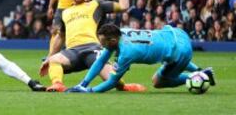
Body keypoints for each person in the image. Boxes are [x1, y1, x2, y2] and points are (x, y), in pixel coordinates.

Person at [40, 0, 145, 92]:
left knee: (112, 79)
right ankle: (58, 85)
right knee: (53, 61)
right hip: (72, 52)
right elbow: (60, 37)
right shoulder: (65, 12)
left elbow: (123, 6)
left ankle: (124, 86)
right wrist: (49, 57)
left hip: (93, 49)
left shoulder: (96, 5)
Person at [68, 23, 216, 93]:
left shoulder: (126, 53)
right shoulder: (121, 32)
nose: (100, 44)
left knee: (157, 81)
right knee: (169, 56)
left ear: (112, 41)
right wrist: (83, 83)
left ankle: (199, 76)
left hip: (181, 51)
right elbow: (100, 61)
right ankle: (200, 70)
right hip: (176, 34)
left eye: (102, 41)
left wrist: (89, 91)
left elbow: (112, 81)